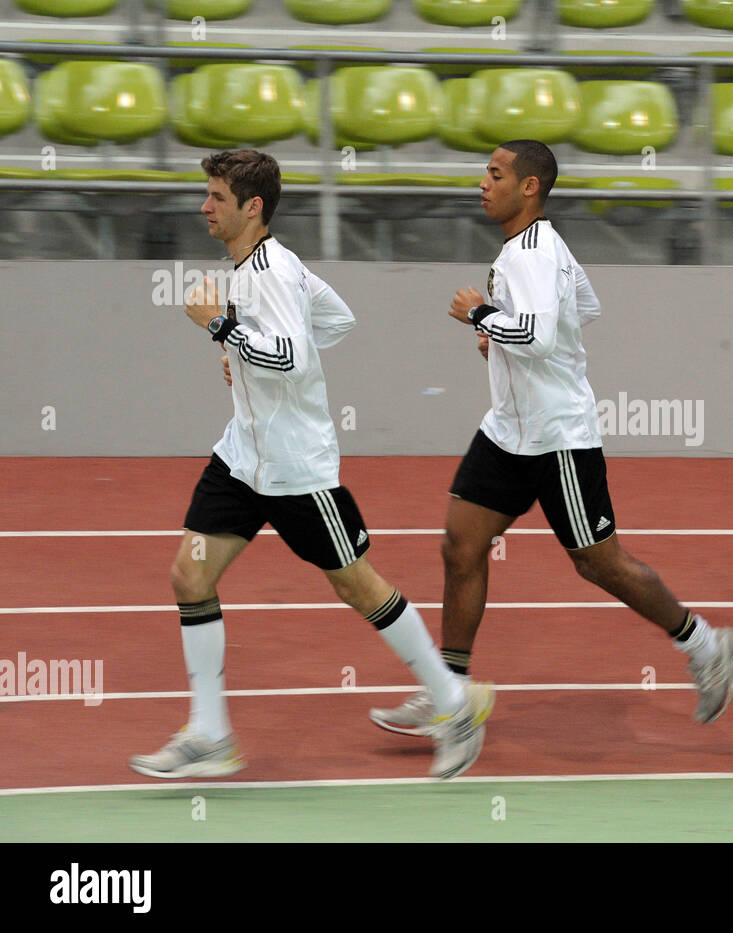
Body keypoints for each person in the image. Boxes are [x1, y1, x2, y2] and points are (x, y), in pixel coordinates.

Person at [129, 150, 492, 782]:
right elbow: (335, 321)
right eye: (207, 194)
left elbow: (293, 357)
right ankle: (211, 734)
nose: (204, 207)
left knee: (357, 585)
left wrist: (222, 329)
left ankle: (455, 703)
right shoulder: (264, 266)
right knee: (190, 578)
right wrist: (247, 354)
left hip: (297, 467)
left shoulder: (271, 272)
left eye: (216, 196)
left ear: (253, 207)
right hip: (243, 456)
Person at [369, 140, 733, 736]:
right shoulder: (536, 247)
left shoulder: (534, 253)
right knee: (460, 546)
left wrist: (482, 316)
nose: (482, 184)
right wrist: (506, 333)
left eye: (494, 175)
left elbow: (545, 337)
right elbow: (583, 309)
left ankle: (705, 644)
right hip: (508, 430)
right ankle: (451, 692)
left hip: (557, 435)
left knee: (599, 563)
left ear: (529, 187)